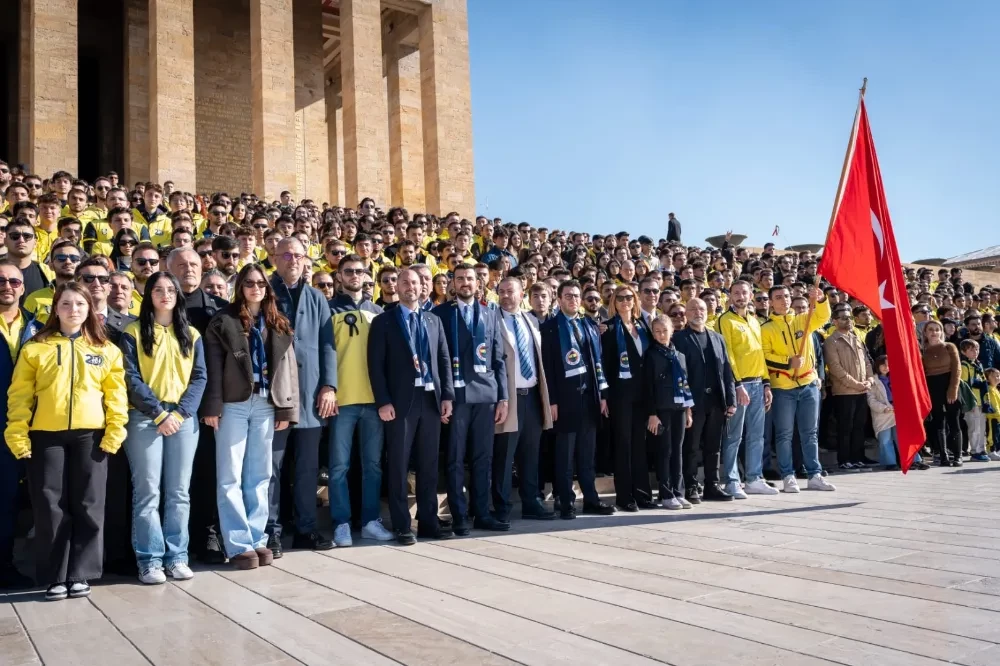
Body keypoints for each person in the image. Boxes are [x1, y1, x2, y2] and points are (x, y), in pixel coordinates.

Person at [5, 282, 128, 601]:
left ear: (89, 310)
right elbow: (19, 395)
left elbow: (116, 395)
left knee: (89, 503)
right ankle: (55, 575)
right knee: (49, 505)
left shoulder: (105, 349)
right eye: (66, 304)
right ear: (55, 308)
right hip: (46, 435)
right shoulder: (36, 348)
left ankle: (81, 573)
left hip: (91, 435)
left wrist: (115, 430)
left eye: (80, 304)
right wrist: (17, 432)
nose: (73, 309)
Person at [202, 265, 300, 570]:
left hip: (266, 405)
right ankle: (238, 544)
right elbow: (213, 366)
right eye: (249, 283)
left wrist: (287, 408)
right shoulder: (223, 320)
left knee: (259, 475)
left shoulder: (278, 322)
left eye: (260, 283)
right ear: (240, 286)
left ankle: (258, 539)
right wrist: (212, 407)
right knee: (230, 475)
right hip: (233, 404)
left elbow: (289, 370)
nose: (255, 287)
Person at [119, 272, 207, 584]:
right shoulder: (133, 332)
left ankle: (177, 556)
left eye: (171, 289)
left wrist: (181, 413)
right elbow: (130, 377)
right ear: (148, 295)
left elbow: (199, 378)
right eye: (158, 289)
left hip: (183, 420)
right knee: (147, 492)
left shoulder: (192, 334)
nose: (165, 294)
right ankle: (150, 560)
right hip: (145, 418)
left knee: (179, 492)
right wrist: (158, 413)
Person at [367, 267, 454, 544]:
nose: (410, 286)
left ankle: (428, 522)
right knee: (399, 465)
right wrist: (383, 401)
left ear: (422, 286)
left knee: (429, 464)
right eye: (404, 282)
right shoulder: (384, 321)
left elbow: (443, 360)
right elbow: (376, 366)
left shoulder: (432, 320)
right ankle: (402, 525)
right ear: (396, 286)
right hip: (400, 403)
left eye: (415, 282)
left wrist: (447, 396)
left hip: (430, 399)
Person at [264, 239, 338, 555]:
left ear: (305, 260)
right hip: (275, 396)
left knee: (308, 468)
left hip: (310, 395)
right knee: (272, 468)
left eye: (298, 255)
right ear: (275, 258)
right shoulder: (265, 292)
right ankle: (272, 532)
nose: (292, 260)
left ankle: (306, 529)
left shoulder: (317, 298)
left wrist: (329, 386)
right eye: (286, 255)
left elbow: (327, 345)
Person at [432, 264, 509, 533]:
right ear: (452, 283)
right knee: (454, 458)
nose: (465, 283)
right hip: (456, 397)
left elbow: (498, 358)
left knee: (483, 458)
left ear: (479, 283)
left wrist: (503, 397)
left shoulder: (490, 314)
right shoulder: (439, 314)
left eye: (470, 279)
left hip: (486, 396)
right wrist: (444, 395)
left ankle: (482, 513)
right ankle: (460, 515)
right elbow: (436, 360)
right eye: (460, 278)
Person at [327, 253, 395, 546]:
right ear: (339, 276)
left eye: (359, 271)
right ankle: (341, 522)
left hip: (373, 399)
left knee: (373, 465)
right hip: (342, 400)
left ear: (367, 276)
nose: (355, 275)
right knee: (339, 466)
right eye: (348, 271)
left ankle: (370, 521)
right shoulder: (328, 310)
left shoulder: (378, 312)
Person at [167, 247, 229, 564]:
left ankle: (206, 534)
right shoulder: (158, 310)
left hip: (207, 410)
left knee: (205, 474)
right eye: (180, 264)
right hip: (166, 409)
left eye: (193, 264)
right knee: (173, 480)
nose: (188, 269)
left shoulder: (219, 310)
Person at [540, 280, 615, 518]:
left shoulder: (588, 325)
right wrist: (551, 400)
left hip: (589, 399)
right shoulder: (550, 327)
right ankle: (565, 502)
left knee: (587, 454)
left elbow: (598, 362)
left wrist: (602, 395)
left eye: (576, 295)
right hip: (564, 400)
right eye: (568, 296)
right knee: (565, 455)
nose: (573, 299)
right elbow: (548, 368)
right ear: (559, 299)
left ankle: (591, 499)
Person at [761, 284, 836, 492]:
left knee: (810, 433)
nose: (784, 300)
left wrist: (820, 300)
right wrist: (787, 362)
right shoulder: (766, 328)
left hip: (808, 384)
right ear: (771, 301)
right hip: (782, 388)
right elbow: (765, 355)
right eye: (778, 297)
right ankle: (788, 475)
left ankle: (814, 474)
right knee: (784, 434)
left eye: (786, 296)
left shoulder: (802, 319)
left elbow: (823, 317)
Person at [492, 276, 554, 522]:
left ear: (522, 293)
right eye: (501, 291)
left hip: (532, 398)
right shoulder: (492, 320)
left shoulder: (531, 321)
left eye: (511, 291)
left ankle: (531, 502)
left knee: (531, 455)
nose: (506, 295)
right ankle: (502, 506)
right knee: (504, 457)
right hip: (509, 398)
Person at [672, 297, 737, 502]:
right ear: (686, 313)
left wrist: (731, 399)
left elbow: (727, 369)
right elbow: (678, 374)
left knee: (713, 446)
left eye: (701, 309)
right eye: (693, 309)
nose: (698, 312)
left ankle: (712, 485)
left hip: (716, 400)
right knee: (691, 447)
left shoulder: (717, 338)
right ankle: (691, 486)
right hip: (693, 402)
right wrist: (685, 403)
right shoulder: (679, 338)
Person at [716, 280, 775, 496]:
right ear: (730, 296)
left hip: (758, 383)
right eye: (736, 293)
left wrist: (767, 383)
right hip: (739, 385)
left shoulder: (754, 320)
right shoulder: (725, 320)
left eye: (744, 292)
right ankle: (732, 479)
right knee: (734, 435)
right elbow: (727, 354)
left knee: (757, 435)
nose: (741, 296)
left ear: (751, 296)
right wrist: (737, 384)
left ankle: (754, 478)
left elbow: (760, 354)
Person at [601, 284, 656, 511]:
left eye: (629, 297)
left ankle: (642, 494)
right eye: (620, 298)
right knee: (623, 445)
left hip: (642, 394)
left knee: (639, 446)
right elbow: (603, 365)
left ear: (635, 301)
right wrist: (604, 396)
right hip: (620, 395)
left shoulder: (643, 326)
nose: (625, 301)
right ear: (614, 302)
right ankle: (625, 497)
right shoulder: (608, 328)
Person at [0, 262, 33, 588]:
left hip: (23, 426)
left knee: (9, 497)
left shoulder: (36, 328)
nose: (7, 285)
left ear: (23, 288)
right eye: (1, 280)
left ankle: (5, 564)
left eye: (14, 281)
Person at [642, 314, 694, 509]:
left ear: (672, 330)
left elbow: (686, 384)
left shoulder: (679, 355)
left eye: (665, 330)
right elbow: (648, 387)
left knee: (677, 450)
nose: (662, 335)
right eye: (657, 331)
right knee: (665, 451)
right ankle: (666, 492)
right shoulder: (651, 355)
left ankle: (678, 491)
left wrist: (688, 410)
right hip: (661, 410)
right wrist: (652, 414)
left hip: (679, 408)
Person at [824, 304, 876, 471]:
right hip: (844, 391)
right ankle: (844, 459)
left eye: (850, 318)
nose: (849, 321)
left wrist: (868, 380)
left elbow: (867, 361)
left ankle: (858, 457)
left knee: (859, 425)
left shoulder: (856, 338)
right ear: (835, 321)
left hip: (862, 389)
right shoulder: (831, 341)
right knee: (845, 427)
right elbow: (835, 368)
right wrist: (856, 384)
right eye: (844, 318)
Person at [867, 355, 929, 471]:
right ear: (878, 365)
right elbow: (871, 399)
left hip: (898, 412)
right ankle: (890, 463)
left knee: (904, 438)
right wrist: (884, 408)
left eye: (888, 365)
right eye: (883, 365)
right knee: (885, 440)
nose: (886, 367)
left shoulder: (895, 377)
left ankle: (913, 461)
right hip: (883, 414)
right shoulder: (873, 381)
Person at [921, 320, 962, 466]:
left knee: (954, 421)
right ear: (925, 333)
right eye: (930, 329)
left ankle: (957, 456)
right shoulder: (923, 351)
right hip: (933, 388)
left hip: (950, 386)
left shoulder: (949, 346)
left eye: (937, 329)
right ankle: (943, 456)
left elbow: (957, 370)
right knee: (939, 422)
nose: (934, 332)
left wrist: (953, 390)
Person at [959, 339, 989, 461]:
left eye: (976, 349)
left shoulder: (978, 364)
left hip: (981, 400)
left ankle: (982, 449)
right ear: (963, 352)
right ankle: (975, 451)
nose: (975, 352)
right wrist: (978, 384)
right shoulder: (964, 365)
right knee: (974, 427)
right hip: (972, 401)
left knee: (982, 426)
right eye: (971, 350)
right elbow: (965, 384)